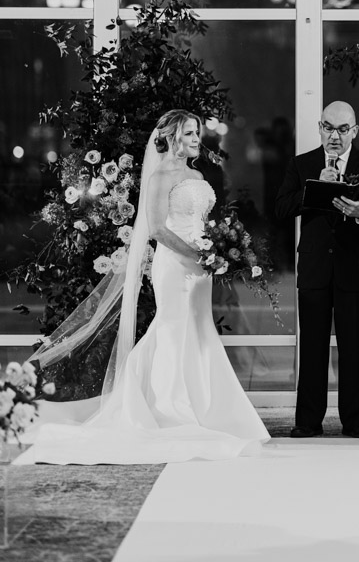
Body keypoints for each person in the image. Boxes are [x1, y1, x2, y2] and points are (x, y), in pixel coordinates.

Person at [16, 109, 269, 465]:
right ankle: (167, 407)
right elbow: (157, 230)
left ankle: (206, 408)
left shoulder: (196, 173)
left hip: (203, 266)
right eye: (189, 134)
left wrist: (220, 248)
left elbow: (203, 220)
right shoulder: (160, 176)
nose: (197, 139)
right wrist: (199, 253)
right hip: (176, 264)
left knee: (199, 331)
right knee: (171, 327)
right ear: (170, 137)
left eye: (197, 133)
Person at [275, 101, 359, 439]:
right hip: (314, 266)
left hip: (353, 265)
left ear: (354, 131)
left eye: (342, 129)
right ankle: (307, 421)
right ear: (320, 128)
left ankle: (356, 421)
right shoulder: (303, 164)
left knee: (354, 347)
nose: (334, 136)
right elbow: (281, 208)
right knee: (312, 347)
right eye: (328, 127)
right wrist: (312, 189)